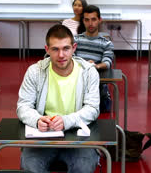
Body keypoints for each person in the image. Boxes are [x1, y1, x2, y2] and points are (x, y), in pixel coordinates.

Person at [17, 24, 100, 173]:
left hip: (77, 137)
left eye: (66, 48)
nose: (61, 55)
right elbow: (23, 106)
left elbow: (92, 109)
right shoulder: (35, 71)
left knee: (83, 167)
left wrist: (67, 121)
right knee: (30, 167)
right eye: (55, 49)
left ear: (74, 48)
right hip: (43, 137)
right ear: (47, 49)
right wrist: (36, 120)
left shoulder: (88, 72)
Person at [74, 5, 114, 112]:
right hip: (77, 79)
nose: (90, 23)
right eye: (87, 20)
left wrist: (95, 66)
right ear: (83, 21)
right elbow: (70, 58)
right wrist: (84, 64)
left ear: (99, 20)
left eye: (93, 19)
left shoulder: (106, 43)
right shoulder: (75, 40)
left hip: (95, 80)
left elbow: (107, 62)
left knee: (102, 106)